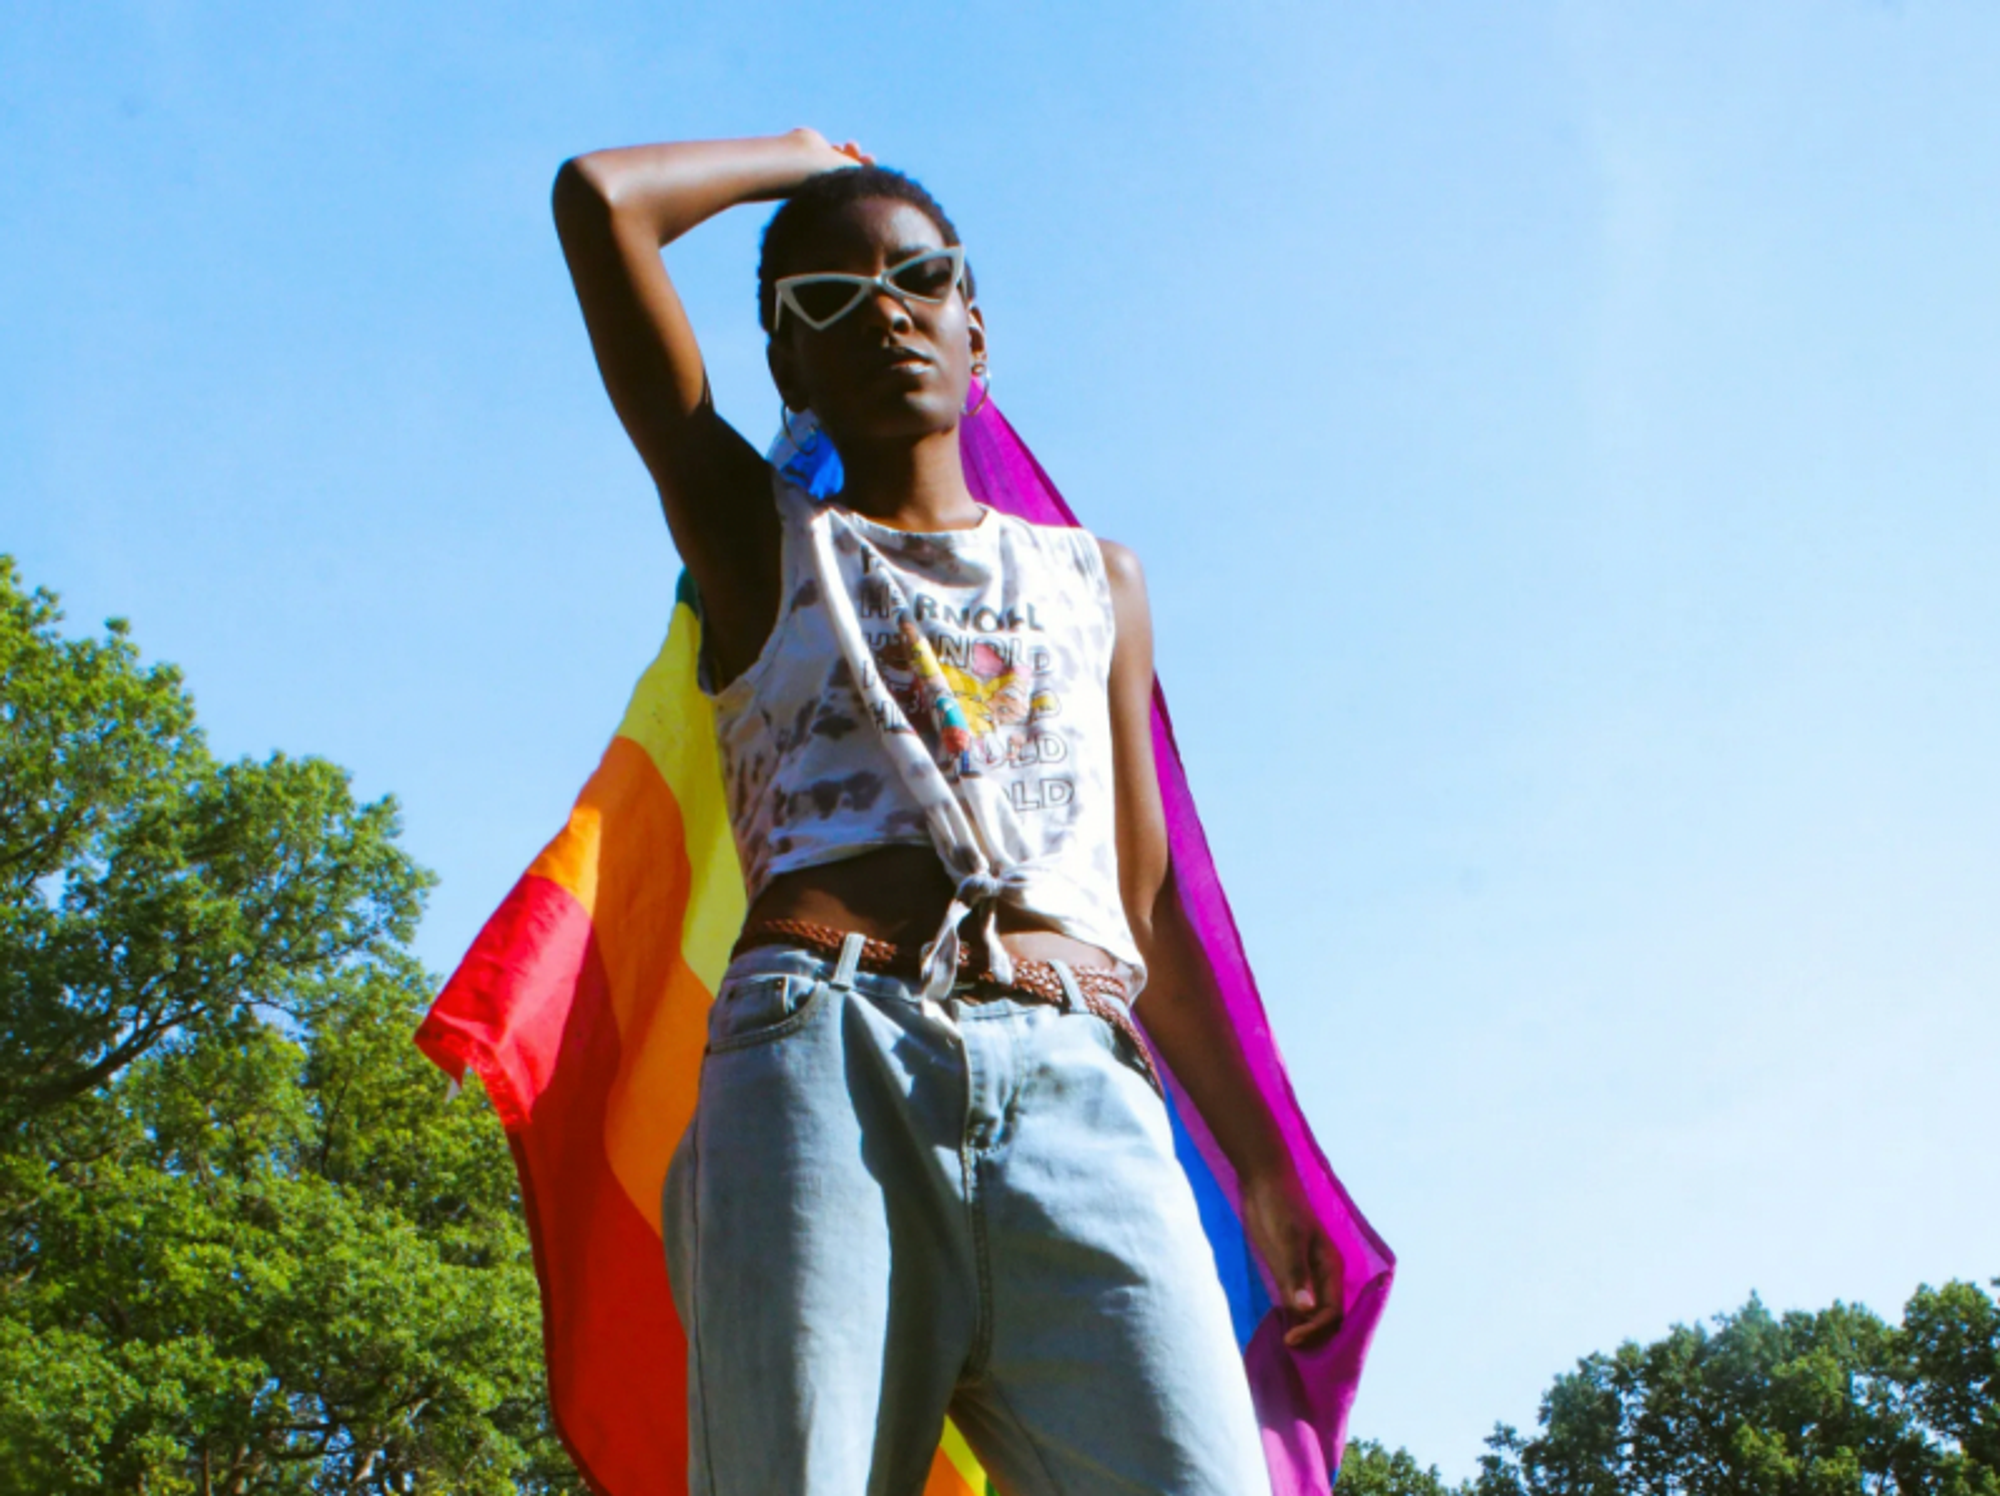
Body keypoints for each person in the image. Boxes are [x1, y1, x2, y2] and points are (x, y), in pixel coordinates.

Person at [549, 127, 1345, 1496]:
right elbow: (601, 203)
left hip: (1079, 1089)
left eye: (919, 277)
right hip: (825, 1064)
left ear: (978, 323)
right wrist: (798, 159)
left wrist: (1269, 1170)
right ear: (785, 365)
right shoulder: (756, 544)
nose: (886, 313)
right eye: (827, 301)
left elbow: (1139, 902)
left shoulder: (1100, 583)